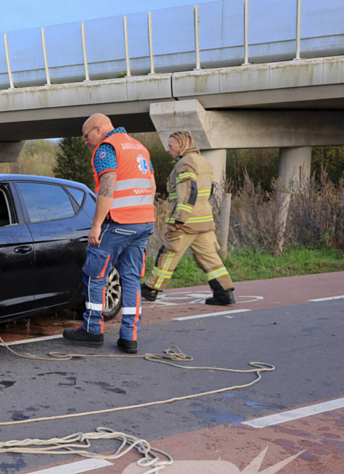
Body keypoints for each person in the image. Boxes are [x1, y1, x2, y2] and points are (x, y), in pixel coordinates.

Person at [63, 113, 156, 354]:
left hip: (118, 223)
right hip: (144, 222)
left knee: (95, 274)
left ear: (98, 129)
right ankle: (129, 337)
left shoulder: (107, 148)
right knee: (131, 278)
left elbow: (108, 186)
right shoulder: (139, 147)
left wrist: (96, 225)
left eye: (86, 136)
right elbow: (152, 186)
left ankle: (93, 329)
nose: (86, 141)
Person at [141, 132, 235, 306]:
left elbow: (189, 191)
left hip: (186, 222)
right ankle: (224, 292)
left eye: (171, 146)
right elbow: (210, 189)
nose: (168, 149)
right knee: (209, 257)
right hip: (203, 219)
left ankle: (151, 288)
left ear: (181, 144)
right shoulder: (204, 161)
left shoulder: (185, 163)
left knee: (168, 252)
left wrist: (180, 219)